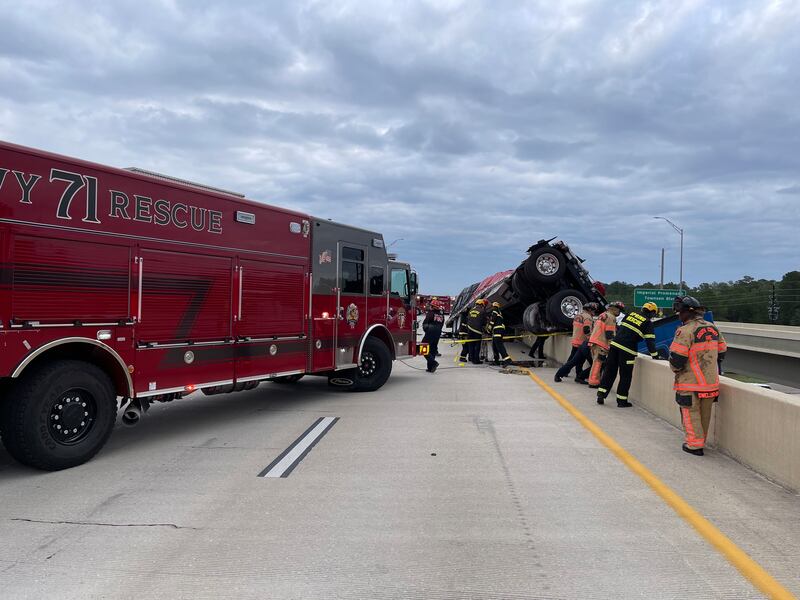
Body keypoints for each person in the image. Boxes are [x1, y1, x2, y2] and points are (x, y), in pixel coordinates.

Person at [669, 296, 727, 456]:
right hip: (710, 383)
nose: (679, 315)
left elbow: (677, 359)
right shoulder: (713, 328)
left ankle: (694, 445)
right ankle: (701, 441)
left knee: (690, 414)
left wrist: (676, 370)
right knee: (705, 414)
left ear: (688, 312)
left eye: (680, 312)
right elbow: (722, 351)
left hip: (690, 383)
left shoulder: (684, 331)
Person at [596, 302, 661, 407]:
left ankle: (601, 394)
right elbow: (650, 342)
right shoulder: (647, 323)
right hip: (627, 350)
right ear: (652, 312)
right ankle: (621, 401)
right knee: (625, 376)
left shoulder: (631, 314)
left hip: (614, 346)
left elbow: (619, 328)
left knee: (609, 371)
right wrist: (655, 355)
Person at [554, 302, 600, 383]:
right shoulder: (588, 317)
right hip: (583, 342)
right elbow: (586, 330)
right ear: (590, 310)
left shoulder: (578, 315)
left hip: (575, 341)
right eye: (594, 310)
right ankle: (578, 376)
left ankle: (573, 375)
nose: (594, 312)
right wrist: (591, 340)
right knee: (579, 361)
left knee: (576, 361)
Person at [586, 301, 624, 388]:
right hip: (601, 343)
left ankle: (593, 380)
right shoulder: (611, 317)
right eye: (620, 310)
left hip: (594, 341)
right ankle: (593, 382)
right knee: (598, 363)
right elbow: (609, 333)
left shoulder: (603, 315)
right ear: (615, 309)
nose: (619, 313)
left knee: (595, 362)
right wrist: (611, 345)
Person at [422, 299, 445, 373]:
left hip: (430, 332)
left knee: (423, 348)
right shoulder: (441, 315)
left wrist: (427, 330)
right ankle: (431, 368)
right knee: (433, 350)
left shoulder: (430, 313)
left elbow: (425, 323)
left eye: (431, 305)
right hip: (438, 333)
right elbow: (442, 324)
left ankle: (433, 362)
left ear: (433, 306)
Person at [489, 302, 513, 366]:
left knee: (499, 346)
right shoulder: (499, 312)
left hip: (497, 331)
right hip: (498, 331)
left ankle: (507, 359)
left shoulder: (495, 310)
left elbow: (492, 320)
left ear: (493, 306)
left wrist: (489, 328)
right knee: (494, 346)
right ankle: (496, 360)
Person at [466, 299, 488, 364]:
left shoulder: (471, 310)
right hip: (477, 331)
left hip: (469, 330)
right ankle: (476, 360)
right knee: (477, 345)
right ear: (481, 305)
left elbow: (468, 319)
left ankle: (471, 358)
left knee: (471, 344)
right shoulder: (482, 311)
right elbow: (484, 322)